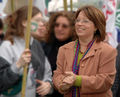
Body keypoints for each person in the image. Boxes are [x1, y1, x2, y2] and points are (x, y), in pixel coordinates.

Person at [53, 5, 117, 97]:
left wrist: (77, 80)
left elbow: (106, 81)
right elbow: (57, 75)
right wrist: (62, 84)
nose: (79, 24)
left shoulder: (108, 51)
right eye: (78, 20)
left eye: (85, 21)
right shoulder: (64, 49)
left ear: (96, 27)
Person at [0, 6, 52, 97]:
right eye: (37, 20)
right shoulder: (7, 46)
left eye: (42, 20)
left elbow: (47, 72)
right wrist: (17, 66)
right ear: (24, 22)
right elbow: (1, 82)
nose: (41, 24)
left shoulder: (36, 44)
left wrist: (47, 84)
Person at [41, 11, 76, 97]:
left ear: (73, 28)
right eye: (57, 25)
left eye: (64, 26)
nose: (59, 28)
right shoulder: (45, 46)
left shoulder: (78, 49)